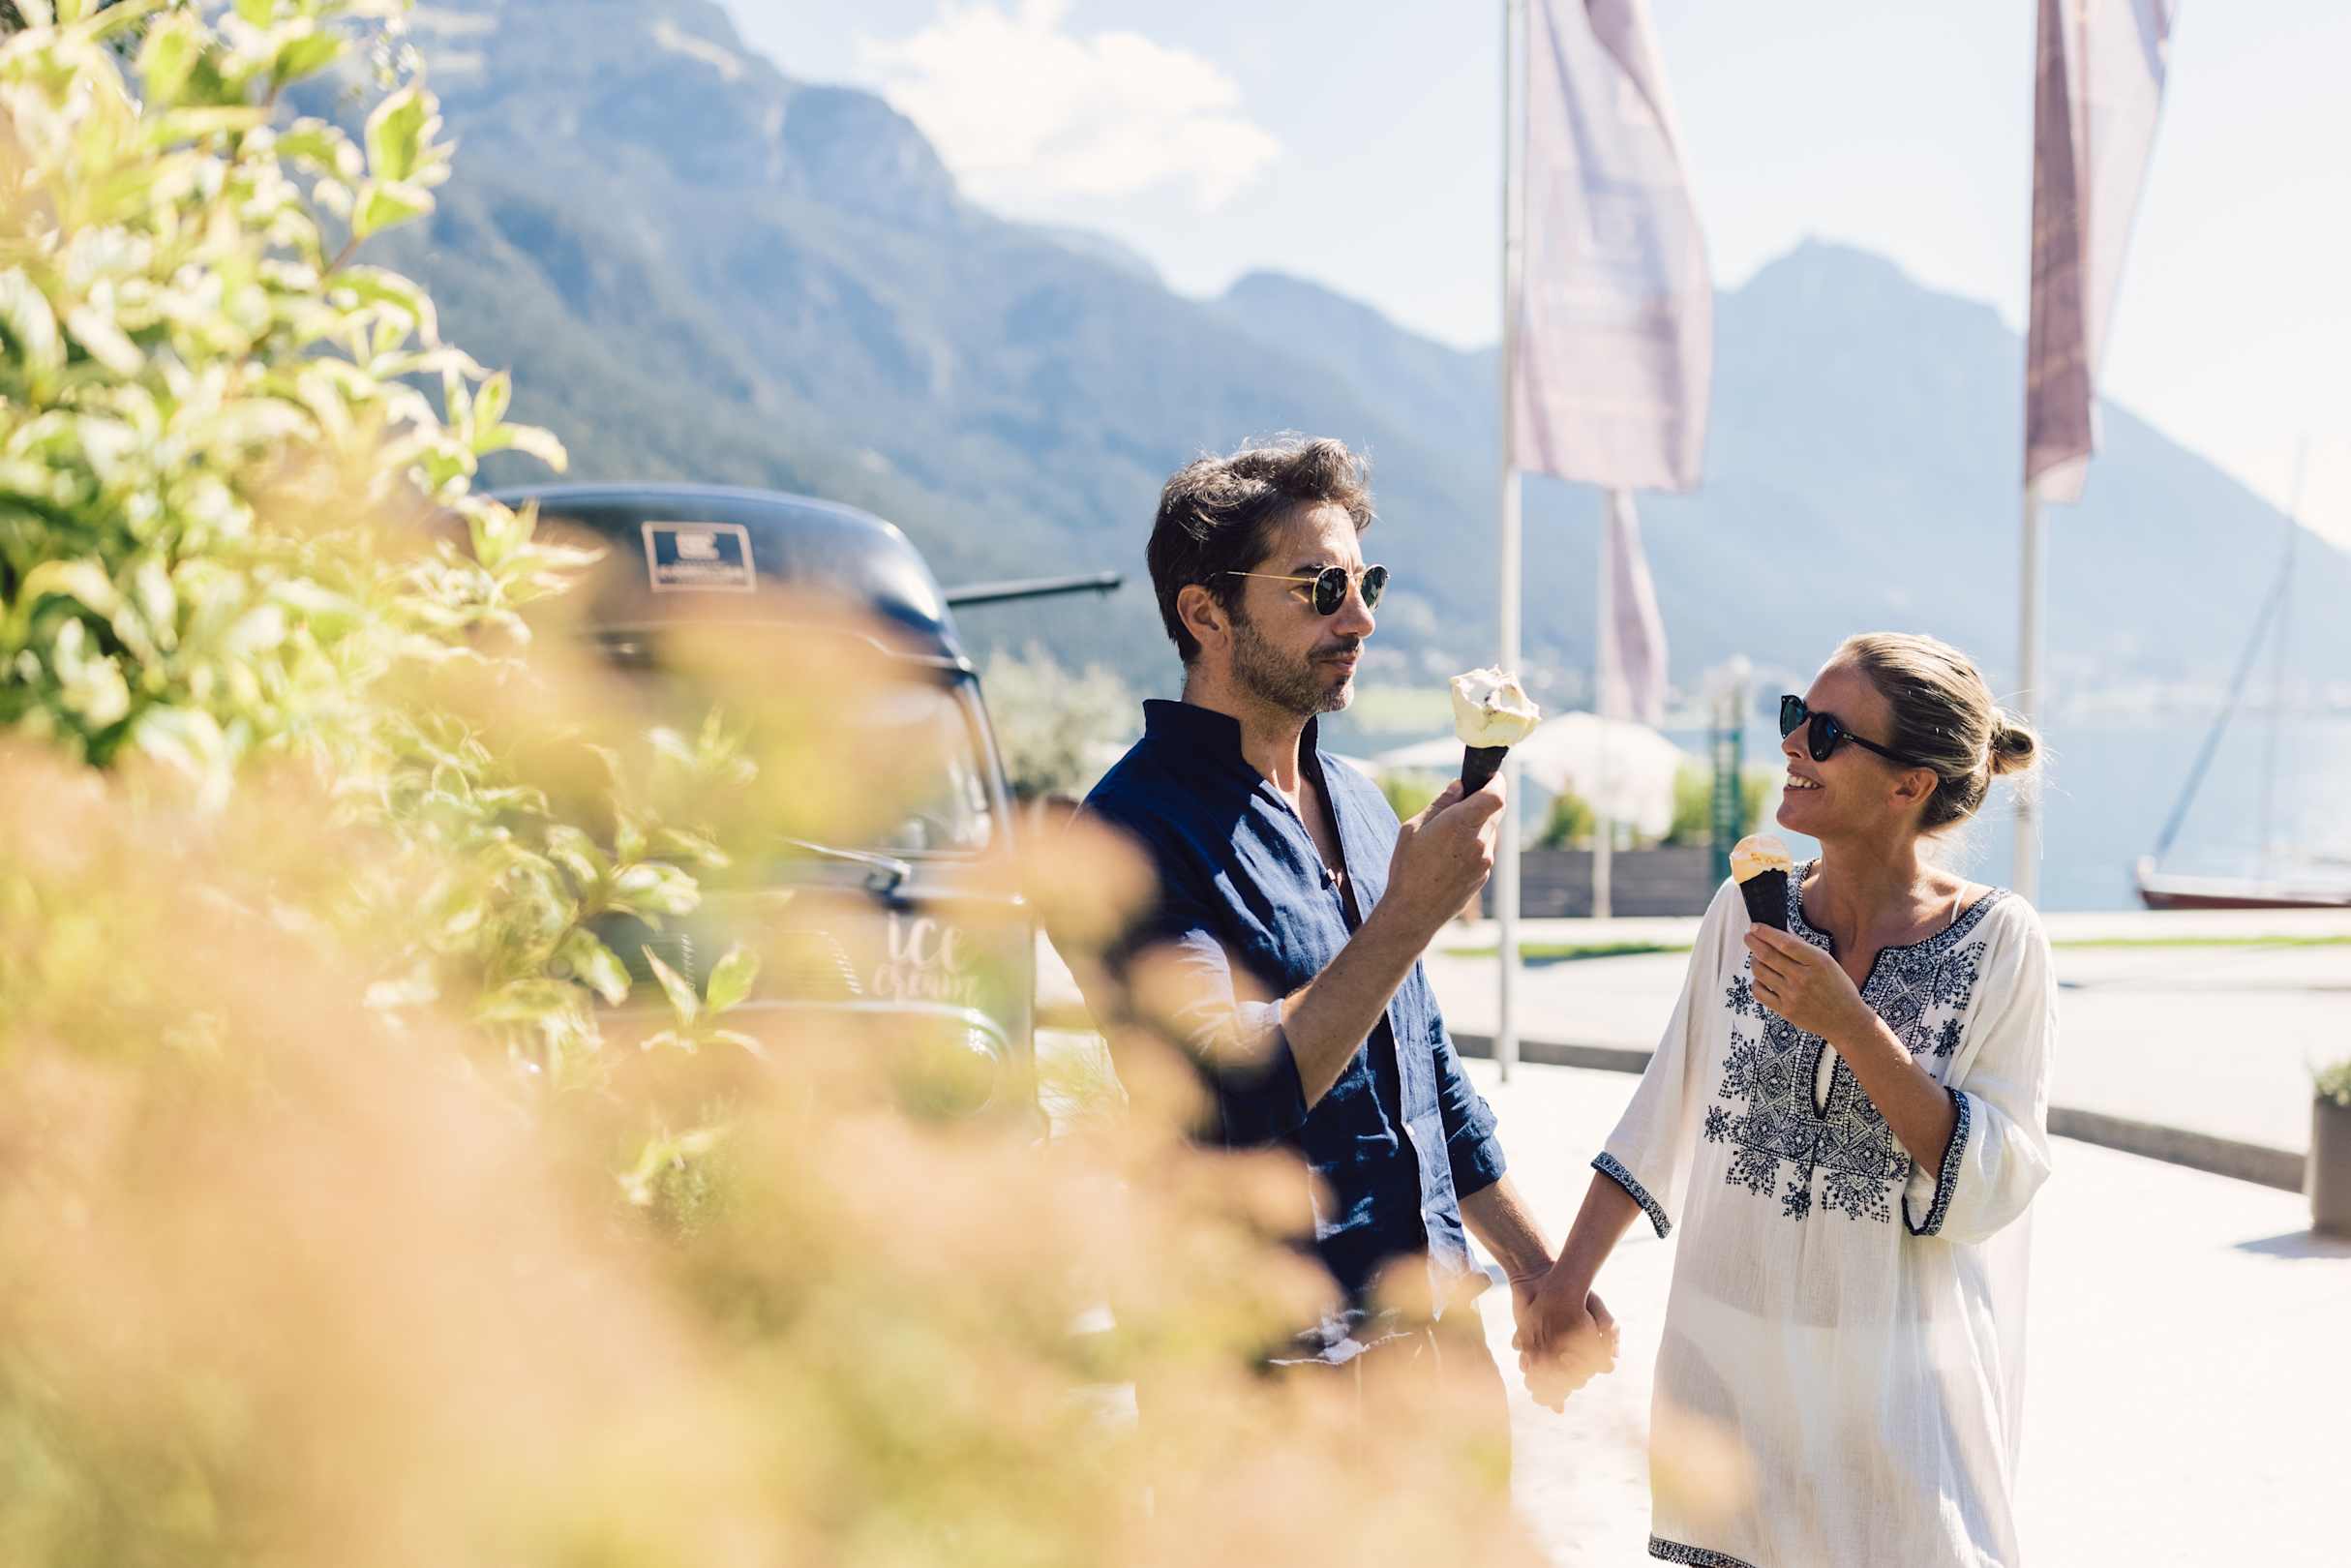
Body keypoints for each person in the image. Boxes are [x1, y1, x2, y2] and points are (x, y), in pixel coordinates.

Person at [1070, 436, 1590, 1457]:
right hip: (1267, 1393)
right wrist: (1408, 916)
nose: (1358, 619)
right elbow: (1230, 1098)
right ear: (1205, 614)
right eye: (1319, 588)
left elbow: (1427, 1081)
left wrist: (1538, 1274)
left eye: (1364, 584)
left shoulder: (1356, 800)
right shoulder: (1125, 832)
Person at [1521, 632, 2054, 1568]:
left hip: (1897, 1399)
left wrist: (1851, 1026)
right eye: (1793, 716)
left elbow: (1996, 1177)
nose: (1792, 744)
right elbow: (1663, 1104)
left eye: (1826, 732)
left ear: (1908, 784)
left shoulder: (1999, 943)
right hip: (1727, 1390)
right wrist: (1563, 1285)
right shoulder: (1743, 910)